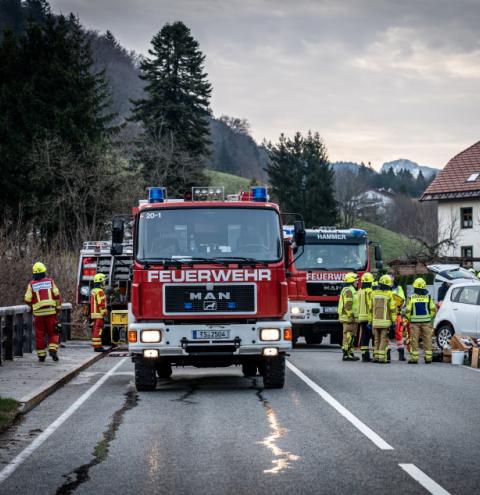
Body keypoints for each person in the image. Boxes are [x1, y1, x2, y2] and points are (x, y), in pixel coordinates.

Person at [24, 262, 62, 362]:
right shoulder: (50, 282)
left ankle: (41, 356)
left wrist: (33, 306)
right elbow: (57, 295)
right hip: (51, 312)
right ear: (44, 272)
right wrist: (58, 308)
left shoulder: (31, 284)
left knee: (40, 334)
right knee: (53, 332)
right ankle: (53, 349)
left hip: (38, 314)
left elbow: (27, 299)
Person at [405, 278, 436, 364]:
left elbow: (408, 310)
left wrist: (410, 319)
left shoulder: (411, 298)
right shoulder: (428, 297)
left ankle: (414, 358)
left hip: (414, 322)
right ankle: (428, 358)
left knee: (414, 340)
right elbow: (433, 309)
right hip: (426, 322)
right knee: (427, 339)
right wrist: (429, 317)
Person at [370, 274, 396, 363]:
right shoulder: (389, 294)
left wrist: (370, 321)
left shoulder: (373, 293)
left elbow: (370, 309)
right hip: (385, 322)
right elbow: (392, 309)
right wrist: (394, 321)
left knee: (376, 339)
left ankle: (376, 357)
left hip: (375, 321)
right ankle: (382, 358)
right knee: (383, 339)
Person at [338, 272, 359, 361]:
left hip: (350, 316)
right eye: (356, 281)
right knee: (348, 335)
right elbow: (348, 305)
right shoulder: (349, 290)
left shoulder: (349, 289)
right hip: (349, 317)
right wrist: (350, 315)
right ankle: (346, 354)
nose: (357, 282)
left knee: (351, 335)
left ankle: (350, 353)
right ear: (351, 281)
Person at [357, 272, 374, 362]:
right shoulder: (369, 291)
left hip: (361, 317)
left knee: (364, 336)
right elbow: (370, 305)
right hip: (368, 317)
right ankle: (376, 354)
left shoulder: (359, 291)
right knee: (374, 336)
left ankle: (364, 355)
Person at [90, 273, 108, 352]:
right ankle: (98, 347)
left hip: (94, 314)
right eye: (104, 281)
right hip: (99, 314)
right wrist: (104, 313)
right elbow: (101, 303)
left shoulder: (93, 291)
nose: (104, 283)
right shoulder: (100, 291)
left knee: (95, 330)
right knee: (98, 330)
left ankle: (96, 346)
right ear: (100, 281)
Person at [391, 279, 406, 361]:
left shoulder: (399, 288)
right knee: (386, 335)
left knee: (399, 334)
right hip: (388, 315)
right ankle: (387, 354)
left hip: (396, 314)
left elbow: (402, 301)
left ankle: (401, 354)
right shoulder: (383, 288)